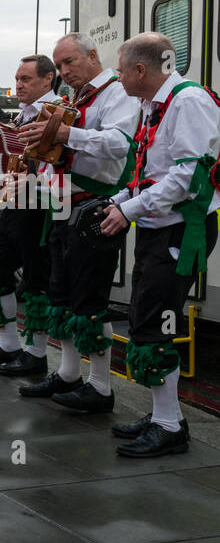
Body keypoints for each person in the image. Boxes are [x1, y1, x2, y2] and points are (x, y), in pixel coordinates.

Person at [99, 32, 220, 457]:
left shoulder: (188, 102)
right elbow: (152, 170)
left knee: (156, 322)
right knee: (147, 316)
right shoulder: (155, 105)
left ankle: (170, 426)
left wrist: (130, 210)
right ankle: (164, 415)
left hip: (180, 231)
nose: (116, 76)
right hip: (159, 227)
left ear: (140, 69)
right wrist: (118, 200)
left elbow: (189, 176)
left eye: (119, 68)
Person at [18, 32, 140, 410]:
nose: (63, 71)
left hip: (96, 205)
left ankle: (101, 387)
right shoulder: (78, 98)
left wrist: (65, 134)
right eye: (59, 65)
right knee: (62, 294)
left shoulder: (116, 92)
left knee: (90, 297)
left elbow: (121, 142)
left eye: (69, 62)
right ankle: (69, 374)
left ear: (92, 55)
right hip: (64, 204)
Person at [0, 55, 61, 377]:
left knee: (36, 281)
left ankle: (37, 354)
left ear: (48, 79)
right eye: (18, 79)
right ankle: (9, 344)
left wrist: (27, 174)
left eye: (26, 79)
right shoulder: (21, 117)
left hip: (40, 207)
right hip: (12, 205)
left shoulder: (57, 113)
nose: (19, 85)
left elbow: (56, 163)